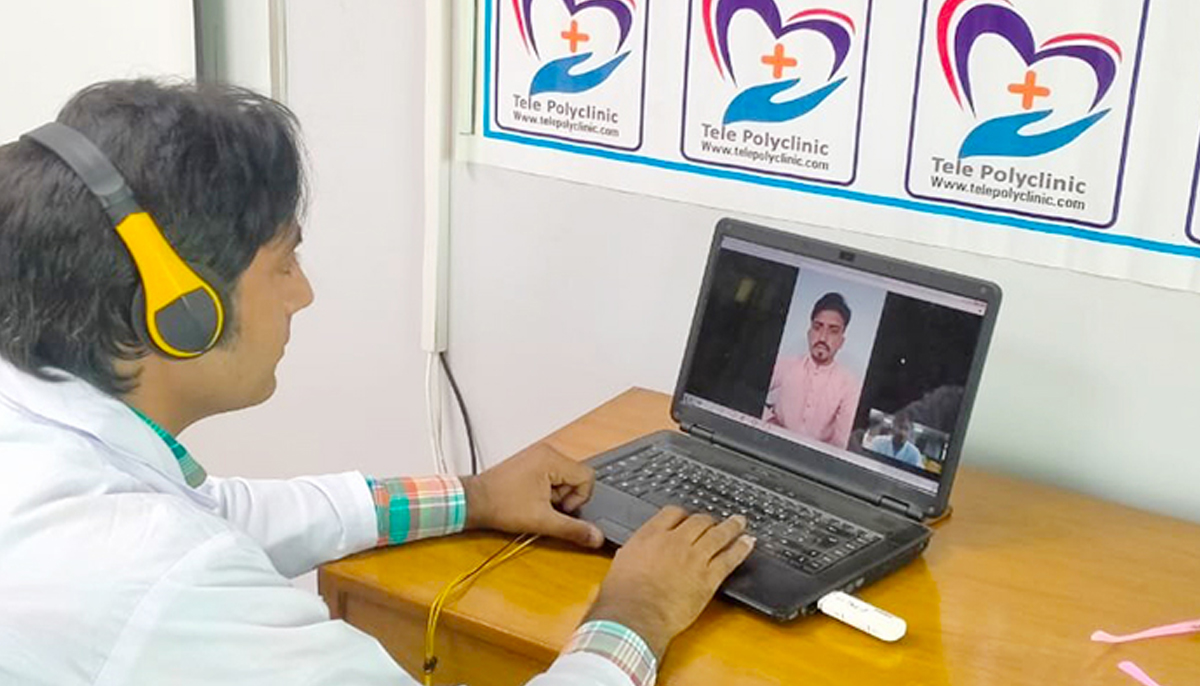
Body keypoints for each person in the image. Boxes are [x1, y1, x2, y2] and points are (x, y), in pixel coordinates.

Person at [0, 80, 755, 686]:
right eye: (284, 262)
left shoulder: (47, 440)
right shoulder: (161, 586)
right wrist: (635, 615)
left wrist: (474, 496)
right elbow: (184, 555)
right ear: (181, 311)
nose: (303, 294)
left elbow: (219, 512)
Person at [763, 292, 862, 450]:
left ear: (841, 341)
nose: (823, 337)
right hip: (771, 446)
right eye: (817, 327)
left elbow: (841, 442)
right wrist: (769, 421)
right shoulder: (784, 365)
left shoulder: (850, 385)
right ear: (809, 333)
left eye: (833, 330)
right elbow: (750, 394)